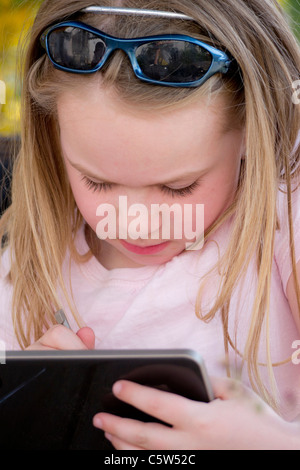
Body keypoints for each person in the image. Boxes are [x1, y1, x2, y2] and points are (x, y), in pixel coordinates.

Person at [0, 0, 300, 450]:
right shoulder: (29, 263)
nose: (136, 222)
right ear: (51, 133)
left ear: (253, 128)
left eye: (178, 187)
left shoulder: (283, 215)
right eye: (97, 182)